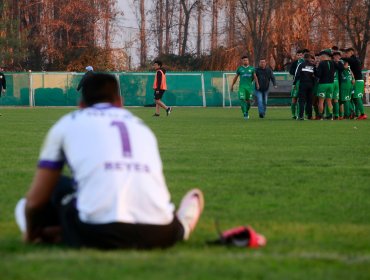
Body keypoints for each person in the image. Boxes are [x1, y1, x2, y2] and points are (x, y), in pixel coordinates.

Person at [15, 73, 204, 249]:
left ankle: (56, 233)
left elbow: (35, 202)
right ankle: (181, 227)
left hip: (97, 233)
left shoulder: (68, 123)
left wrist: (31, 234)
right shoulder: (141, 127)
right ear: (120, 103)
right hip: (160, 232)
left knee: (34, 199)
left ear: (81, 105)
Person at [342, 48, 367, 120]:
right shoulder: (355, 60)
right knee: (354, 98)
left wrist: (341, 57)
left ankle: (363, 114)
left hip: (359, 81)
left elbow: (349, 60)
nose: (346, 54)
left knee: (357, 97)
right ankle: (356, 114)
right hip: (356, 81)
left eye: (347, 53)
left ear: (351, 52)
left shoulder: (354, 59)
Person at [293, 53, 316, 120]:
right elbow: (315, 75)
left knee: (302, 101)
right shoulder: (312, 66)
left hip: (303, 84)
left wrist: (294, 84)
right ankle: (310, 115)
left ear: (304, 58)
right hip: (311, 85)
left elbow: (296, 74)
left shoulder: (301, 65)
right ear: (309, 58)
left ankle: (301, 116)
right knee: (309, 101)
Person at [315, 50, 335, 120]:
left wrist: (315, 69)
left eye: (320, 57)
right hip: (331, 84)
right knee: (329, 101)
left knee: (321, 101)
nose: (319, 58)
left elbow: (318, 74)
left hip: (323, 84)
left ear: (323, 57)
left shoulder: (321, 63)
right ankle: (331, 115)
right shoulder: (332, 63)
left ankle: (320, 116)